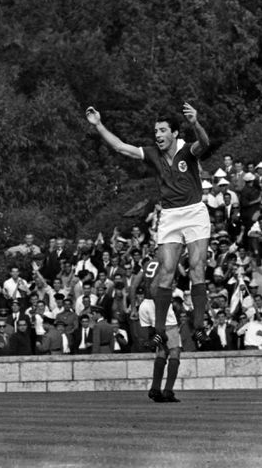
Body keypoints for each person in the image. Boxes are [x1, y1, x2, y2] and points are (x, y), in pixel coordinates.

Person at [86, 103, 211, 344]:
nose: (158, 135)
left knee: (197, 266)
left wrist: (195, 123)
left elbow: (205, 143)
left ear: (175, 133)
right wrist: (99, 125)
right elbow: (122, 148)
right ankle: (159, 330)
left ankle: (198, 325)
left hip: (194, 211)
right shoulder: (153, 153)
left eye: (163, 130)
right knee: (166, 271)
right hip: (170, 215)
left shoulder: (188, 151)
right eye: (156, 131)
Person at [139, 296, 182, 403]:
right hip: (160, 303)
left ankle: (155, 388)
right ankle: (168, 390)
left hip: (144, 305)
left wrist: (134, 308)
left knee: (162, 350)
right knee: (174, 351)